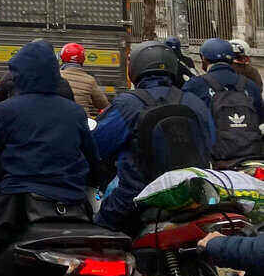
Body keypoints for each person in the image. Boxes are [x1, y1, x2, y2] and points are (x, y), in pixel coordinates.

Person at [0, 39, 99, 276]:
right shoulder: (74, 112)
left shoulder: (9, 110)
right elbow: (94, 160)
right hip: (74, 206)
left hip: (17, 206)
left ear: (22, 74)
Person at [93, 40, 214, 234]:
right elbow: (210, 142)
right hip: (192, 196)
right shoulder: (194, 102)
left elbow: (98, 145)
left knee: (98, 234)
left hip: (136, 198)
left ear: (136, 68)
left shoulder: (128, 104)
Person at [182, 37, 264, 167]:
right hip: (252, 155)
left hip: (214, 159)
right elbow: (260, 118)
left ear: (203, 59)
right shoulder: (249, 85)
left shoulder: (195, 85)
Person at [58, 42, 109, 117]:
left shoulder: (57, 76)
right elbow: (103, 105)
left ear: (62, 57)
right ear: (83, 59)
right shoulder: (90, 80)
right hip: (82, 123)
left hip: (58, 121)